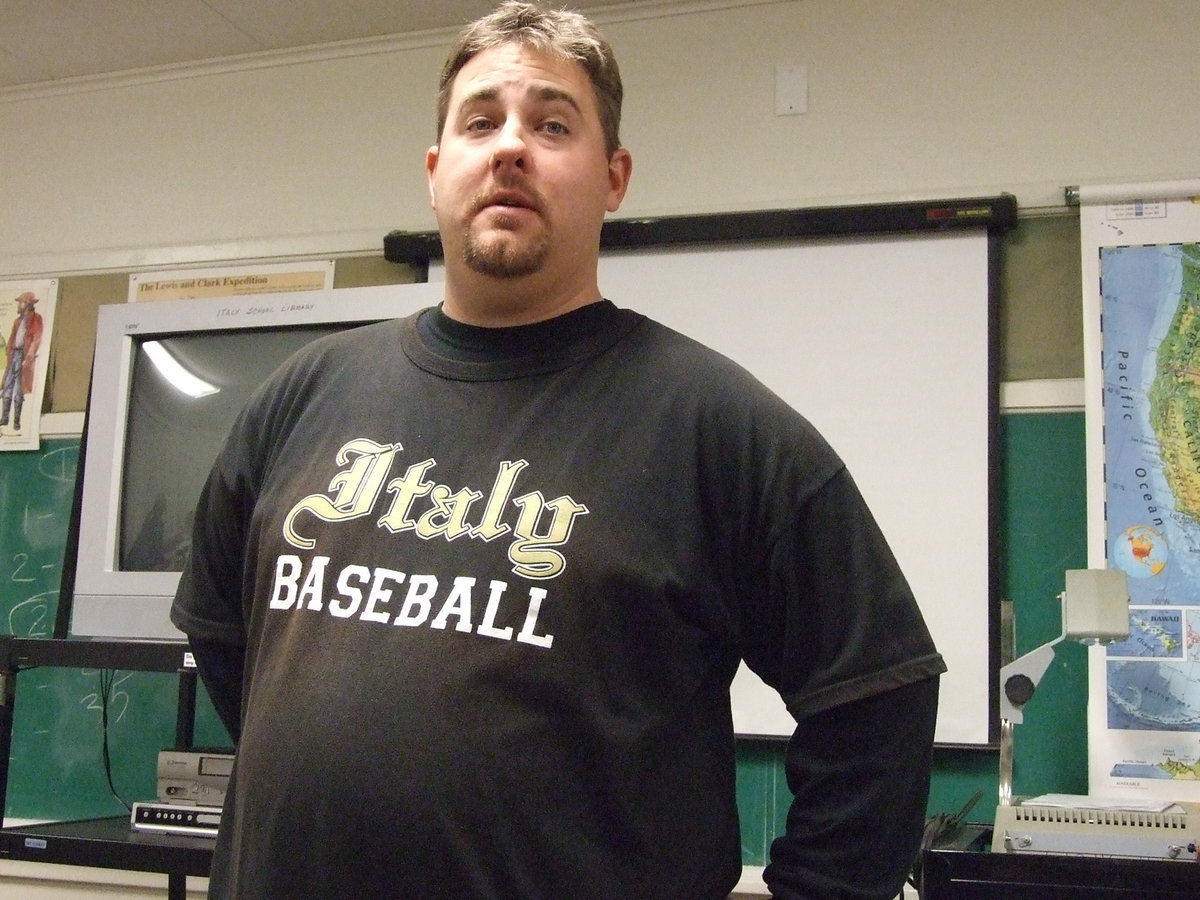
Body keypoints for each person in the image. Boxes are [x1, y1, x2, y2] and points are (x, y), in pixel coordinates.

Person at [171, 3, 946, 898]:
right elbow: (238, 653)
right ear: (434, 172)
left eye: (551, 124)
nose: (510, 147)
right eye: (479, 121)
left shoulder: (717, 428)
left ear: (614, 177)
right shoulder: (302, 394)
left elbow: (876, 702)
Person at [0, 291, 43, 432]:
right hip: (13, 356)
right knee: (7, 388)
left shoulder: (36, 319)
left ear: (28, 304)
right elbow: (12, 338)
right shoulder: (17, 321)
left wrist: (29, 358)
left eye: (22, 302)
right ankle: (4, 418)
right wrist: (9, 353)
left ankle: (17, 421)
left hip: (24, 357)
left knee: (19, 390)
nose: (19, 305)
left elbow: (36, 339)